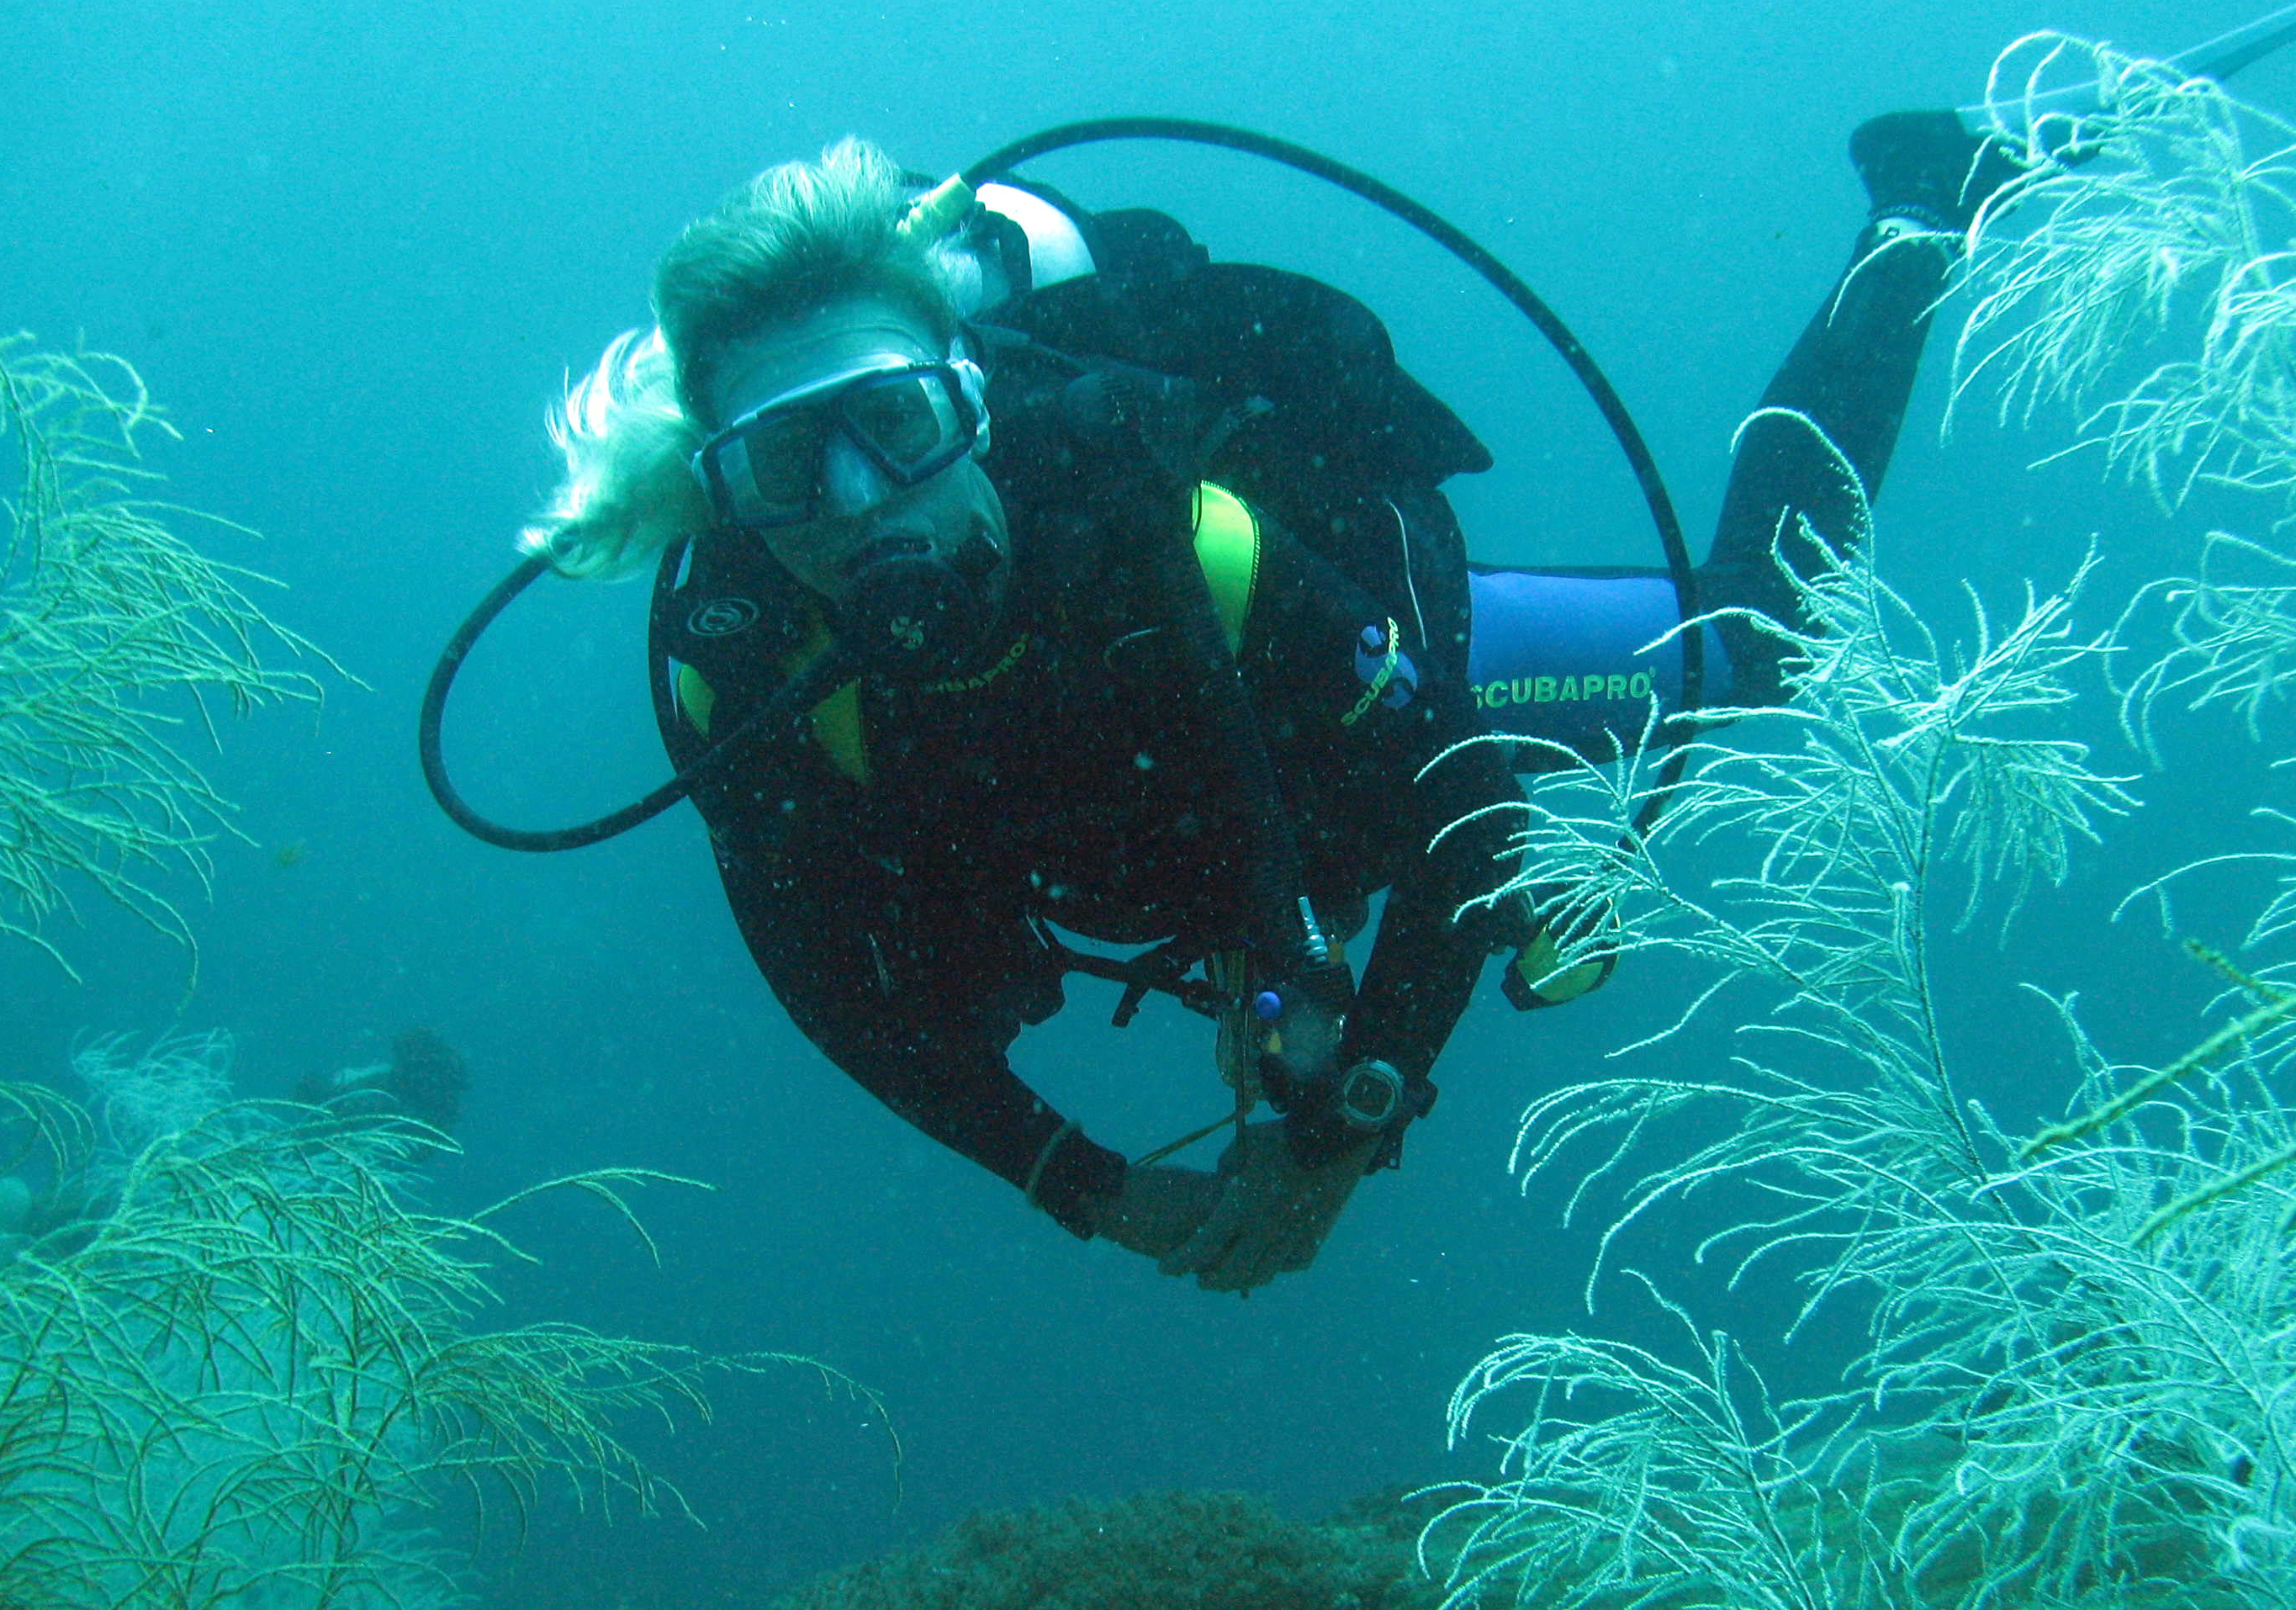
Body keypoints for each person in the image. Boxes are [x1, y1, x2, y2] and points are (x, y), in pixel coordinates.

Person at [523, 113, 2020, 1291]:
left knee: (1752, 646)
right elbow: (835, 992)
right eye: (788, 466)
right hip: (1182, 832)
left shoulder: (1153, 520)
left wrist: (1353, 1108)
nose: (862, 508)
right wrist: (1088, 1187)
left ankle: (1916, 214)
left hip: (1369, 676)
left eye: (898, 423)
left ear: (972, 401)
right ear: (723, 496)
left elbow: (1465, 800)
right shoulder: (745, 668)